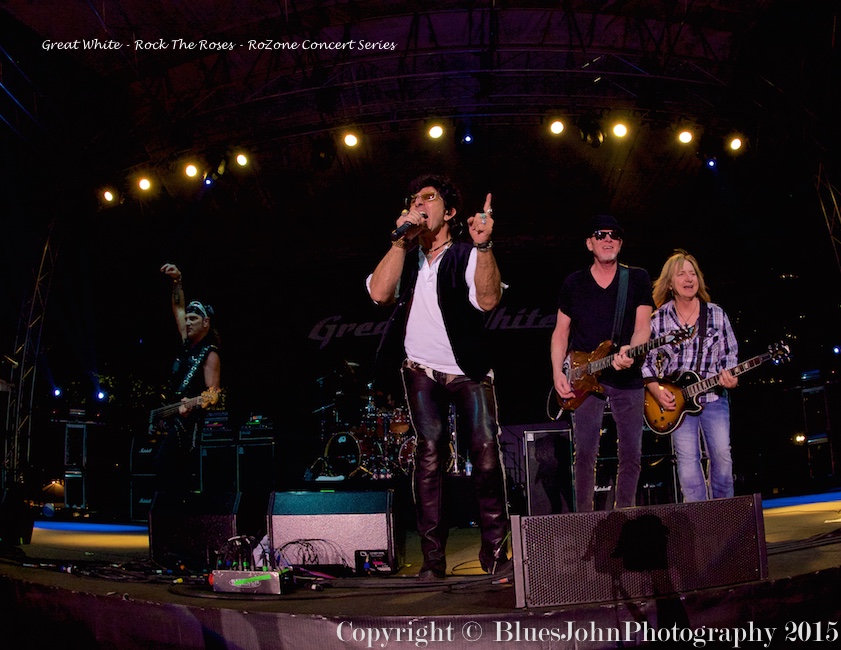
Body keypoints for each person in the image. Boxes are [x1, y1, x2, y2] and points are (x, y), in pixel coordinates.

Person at [366, 174, 509, 580]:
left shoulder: (466, 253)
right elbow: (379, 293)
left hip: (468, 371)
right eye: (415, 198)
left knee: (484, 454)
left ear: (449, 213)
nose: (419, 203)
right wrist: (399, 240)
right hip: (420, 370)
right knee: (428, 456)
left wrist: (483, 244)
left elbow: (488, 299)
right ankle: (432, 563)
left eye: (429, 198)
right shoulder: (406, 256)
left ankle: (496, 556)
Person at [550, 215, 654, 512]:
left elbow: (643, 326)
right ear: (589, 243)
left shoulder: (637, 278)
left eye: (614, 235)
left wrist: (632, 351)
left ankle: (625, 516)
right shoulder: (574, 283)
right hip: (584, 376)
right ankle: (584, 518)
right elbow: (560, 332)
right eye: (600, 234)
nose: (608, 239)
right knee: (584, 453)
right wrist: (557, 371)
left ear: (620, 243)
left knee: (632, 452)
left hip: (627, 375)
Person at [641, 250, 738, 502]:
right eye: (681, 274)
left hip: (714, 398)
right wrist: (655, 389)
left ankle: (724, 514)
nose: (688, 278)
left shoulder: (716, 314)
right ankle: (699, 522)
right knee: (687, 466)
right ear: (670, 283)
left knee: (723, 459)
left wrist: (731, 375)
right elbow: (645, 360)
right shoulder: (658, 318)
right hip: (677, 403)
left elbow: (729, 354)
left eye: (692, 273)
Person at [154, 263, 221, 493]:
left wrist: (192, 403)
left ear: (206, 322)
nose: (189, 321)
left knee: (167, 467)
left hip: (188, 423)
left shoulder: (210, 353)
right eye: (188, 318)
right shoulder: (185, 343)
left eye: (194, 318)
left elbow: (213, 394)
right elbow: (178, 308)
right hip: (170, 413)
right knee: (163, 470)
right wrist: (177, 280)